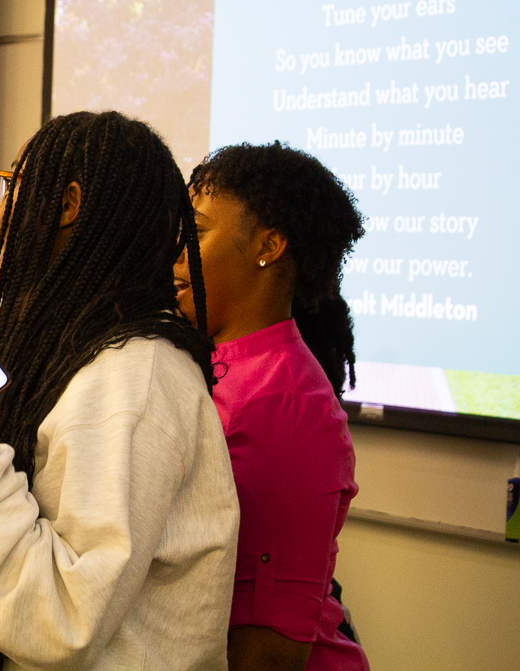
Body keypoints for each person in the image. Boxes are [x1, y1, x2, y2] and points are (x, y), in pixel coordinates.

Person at [0, 111, 240, 670]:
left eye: (11, 186)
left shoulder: (133, 377)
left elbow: (61, 618)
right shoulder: (67, 349)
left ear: (68, 203)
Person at [174, 142, 369, 670]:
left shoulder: (288, 404)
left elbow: (270, 651)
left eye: (198, 229)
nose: (176, 248)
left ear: (269, 246)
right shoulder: (209, 362)